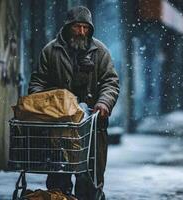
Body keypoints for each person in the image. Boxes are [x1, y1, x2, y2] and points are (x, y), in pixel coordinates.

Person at [28, 6, 119, 200]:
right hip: (59, 125)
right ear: (68, 26)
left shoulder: (99, 51)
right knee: (58, 178)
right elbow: (37, 82)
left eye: (86, 28)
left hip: (92, 125)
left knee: (90, 178)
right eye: (77, 27)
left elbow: (110, 82)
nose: (81, 32)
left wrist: (104, 103)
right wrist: (44, 104)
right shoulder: (51, 50)